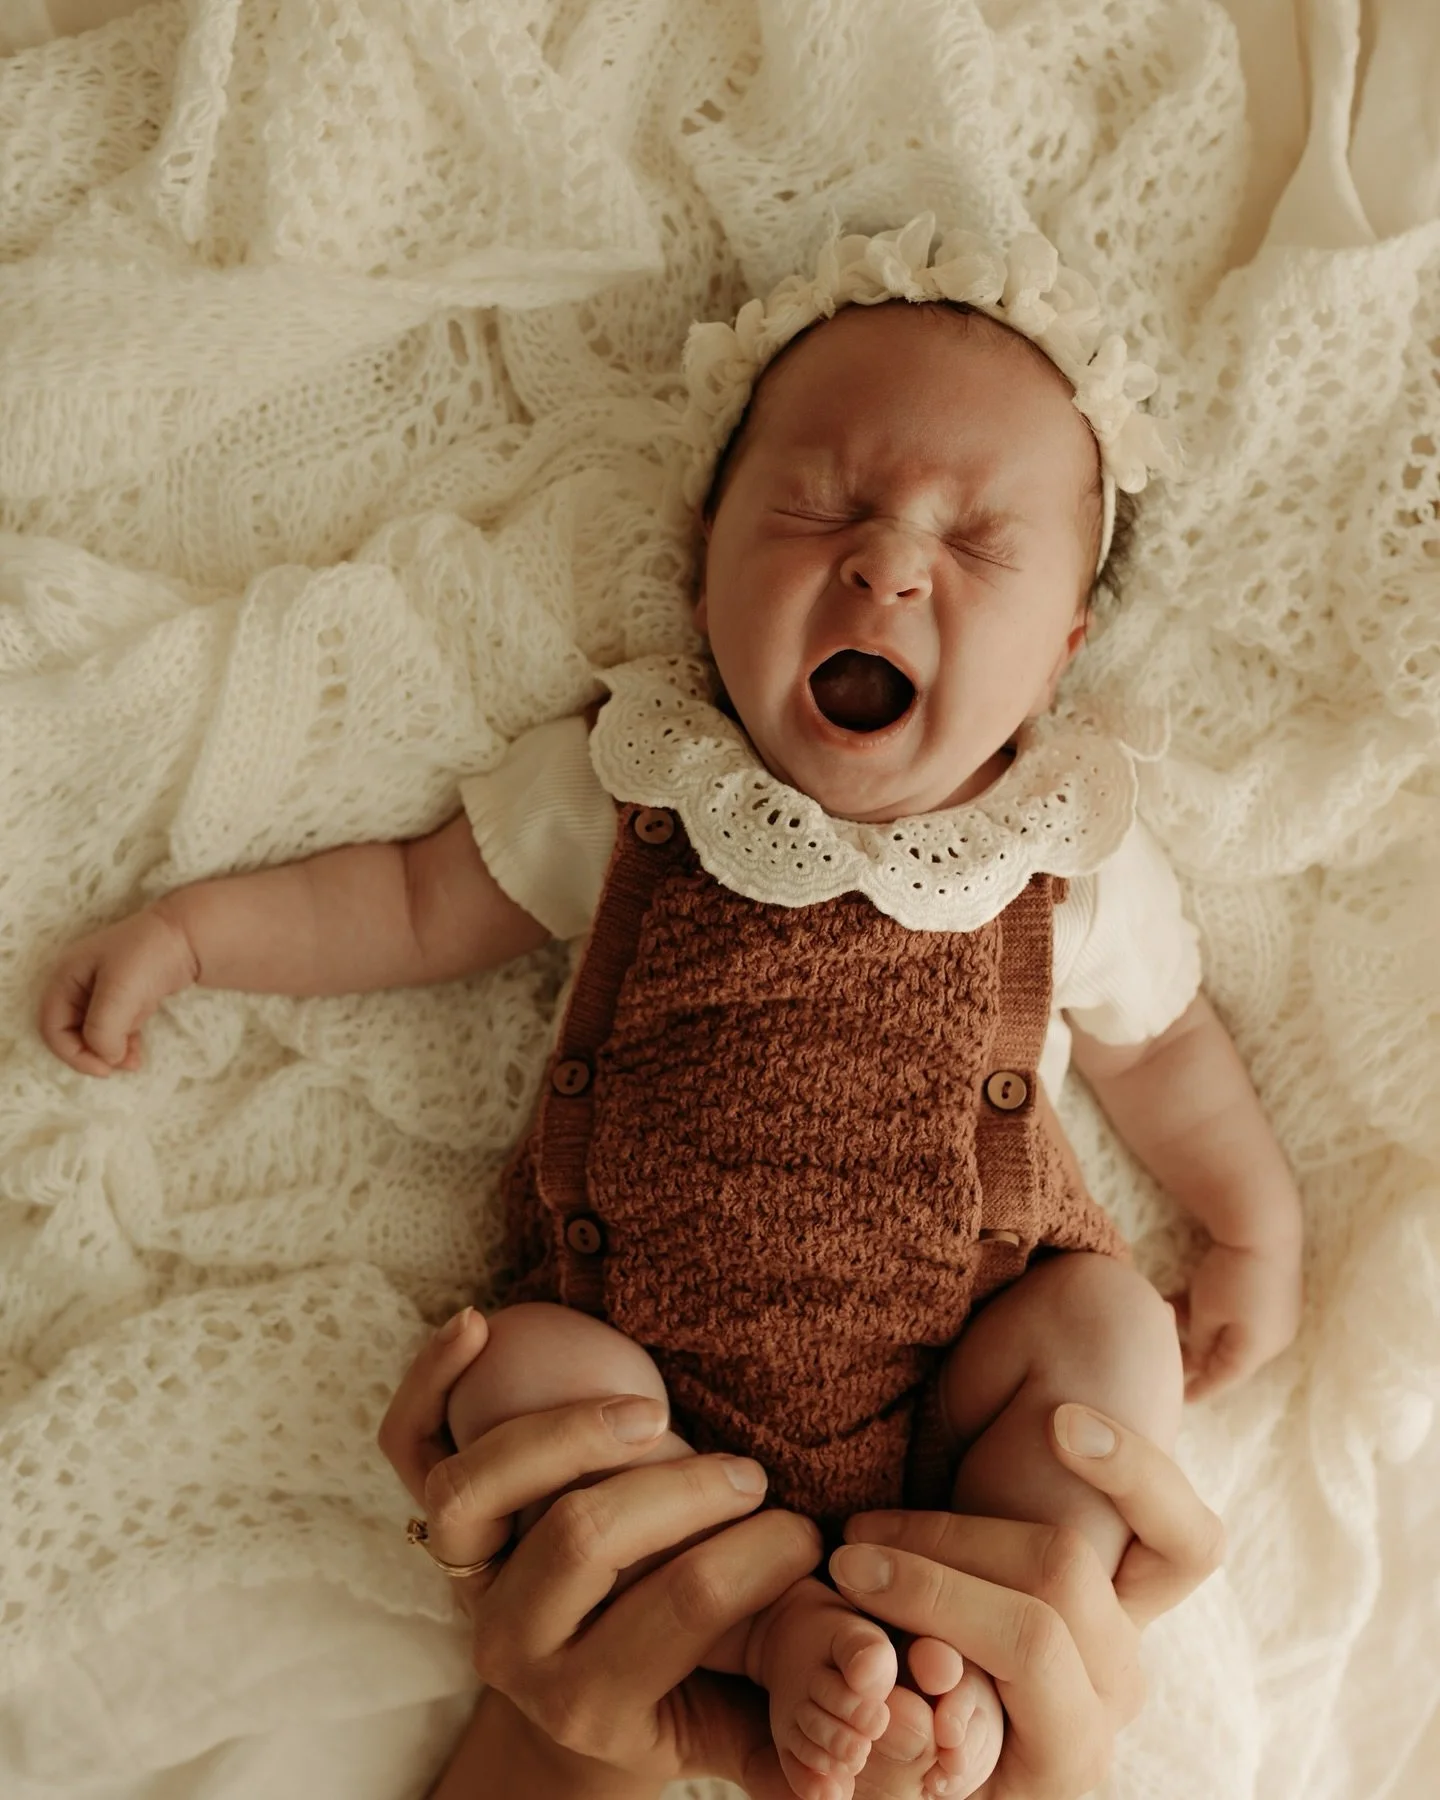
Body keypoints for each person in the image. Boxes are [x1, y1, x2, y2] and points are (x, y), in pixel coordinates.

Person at [37, 218, 1303, 1800]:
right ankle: (779, 1648)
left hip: (966, 1372)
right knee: (520, 1370)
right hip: (649, 1387)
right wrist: (193, 932)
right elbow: (420, 899)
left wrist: (1249, 1230)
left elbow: (1165, 1047)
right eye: (823, 504)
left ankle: (961, 1681)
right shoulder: (643, 782)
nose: (889, 561)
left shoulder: (1061, 854)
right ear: (706, 549)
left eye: (977, 546)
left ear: (1063, 647)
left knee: (1113, 1339)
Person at [375, 1303, 1228, 1798]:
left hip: (666, 1386)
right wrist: (1252, 1220)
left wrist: (564, 1729)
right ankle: (960, 1681)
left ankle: (776, 1639)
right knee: (1111, 1327)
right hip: (966, 1379)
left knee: (518, 1370)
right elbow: (1156, 1030)